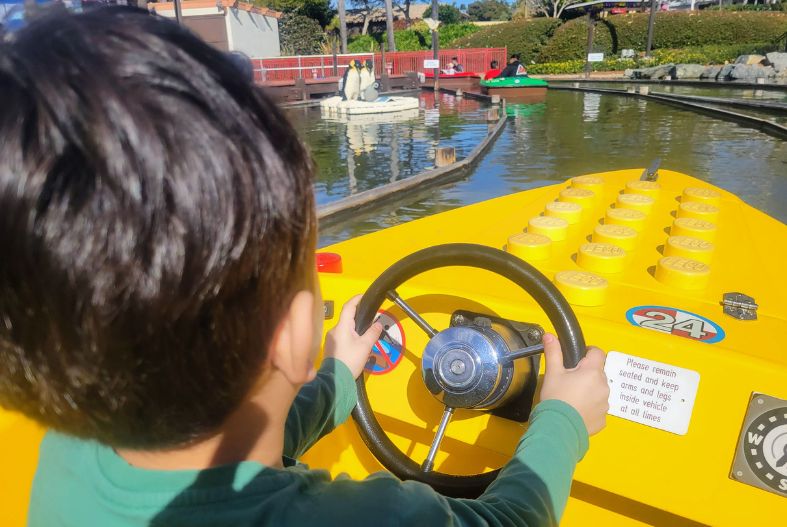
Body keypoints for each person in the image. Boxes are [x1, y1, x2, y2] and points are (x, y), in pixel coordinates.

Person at [0, 6, 610, 527]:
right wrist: (562, 419)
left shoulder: (69, 449)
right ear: (296, 335)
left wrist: (341, 379)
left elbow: (228, 448)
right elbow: (503, 519)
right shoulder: (375, 518)